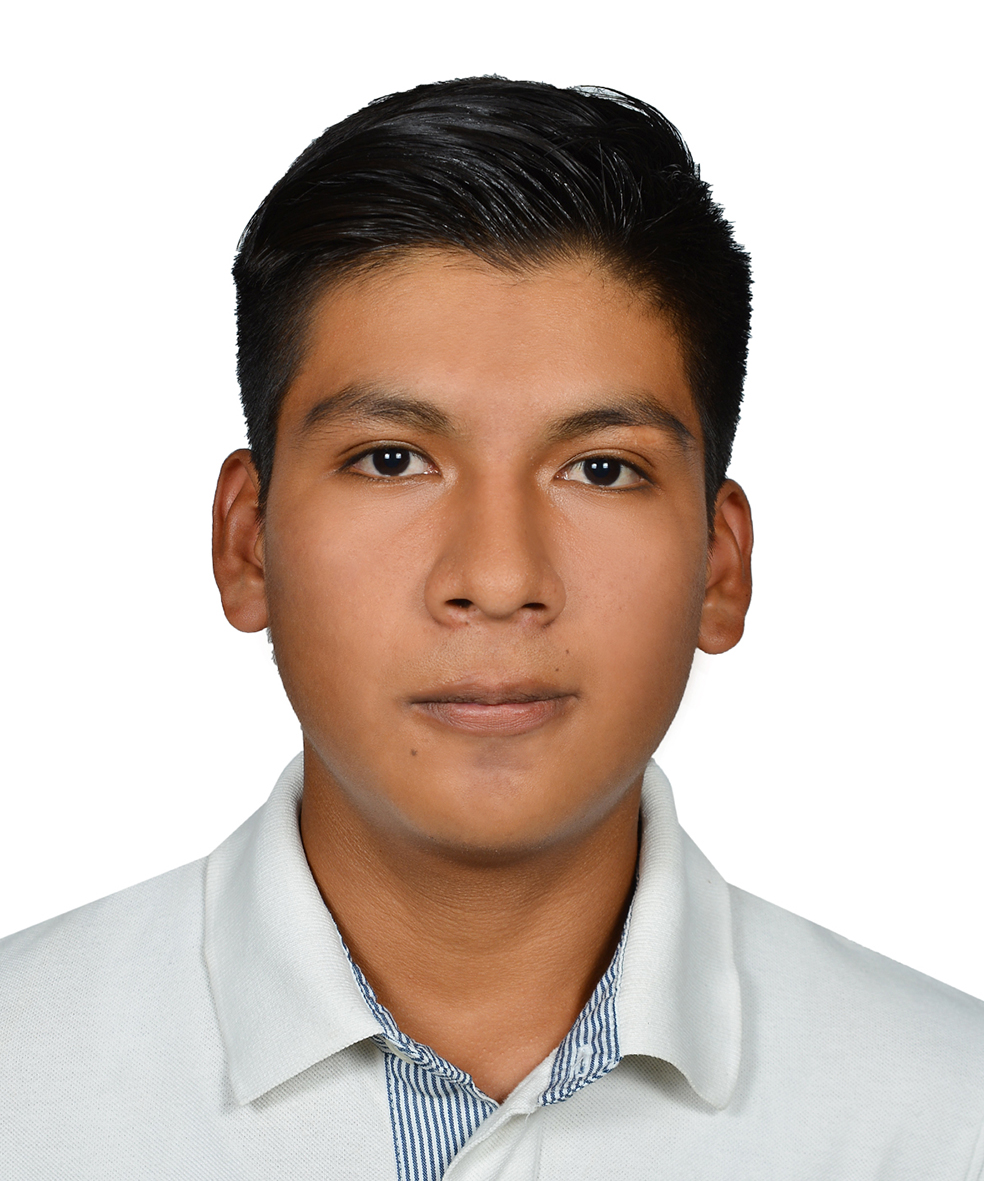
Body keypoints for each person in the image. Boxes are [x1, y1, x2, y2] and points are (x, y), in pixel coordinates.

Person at [2, 76, 982, 1180]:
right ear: (248, 544)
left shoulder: (951, 1117)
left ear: (720, 564)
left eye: (600, 468)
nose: (500, 578)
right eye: (391, 459)